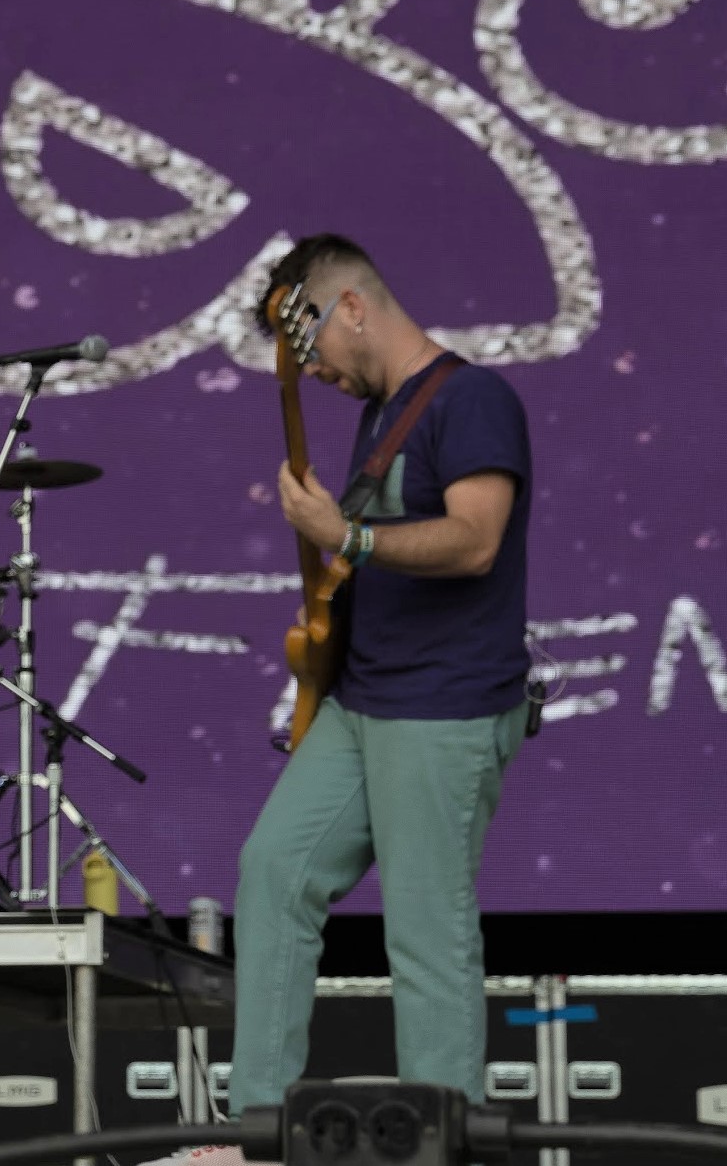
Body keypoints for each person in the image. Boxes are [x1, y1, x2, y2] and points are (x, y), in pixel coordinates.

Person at [228, 233, 534, 1114]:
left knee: (425, 927)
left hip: (443, 705)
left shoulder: (473, 398)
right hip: (363, 701)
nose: (308, 368)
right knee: (274, 872)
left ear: (351, 307)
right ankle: (256, 1121)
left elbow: (475, 540)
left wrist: (345, 535)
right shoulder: (379, 414)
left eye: (308, 342)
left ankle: (441, 1131)